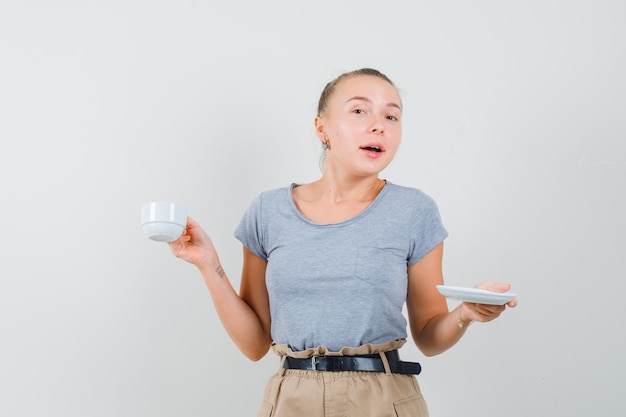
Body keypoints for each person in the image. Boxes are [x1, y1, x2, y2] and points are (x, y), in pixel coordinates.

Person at [168, 68, 517, 416]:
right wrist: (207, 262)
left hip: (383, 398)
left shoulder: (414, 211)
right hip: (291, 398)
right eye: (359, 111)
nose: (378, 125)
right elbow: (254, 344)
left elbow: (428, 336)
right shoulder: (268, 211)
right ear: (322, 128)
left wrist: (466, 314)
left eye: (391, 116)